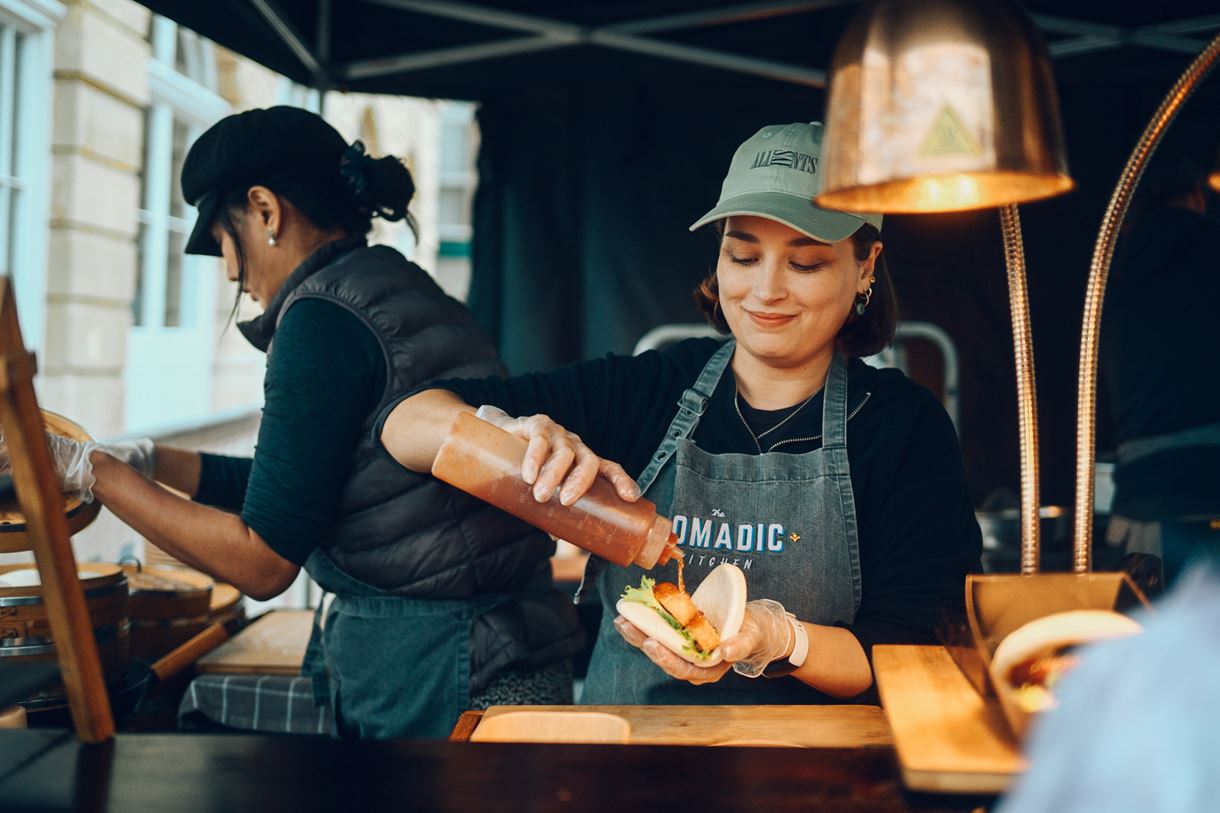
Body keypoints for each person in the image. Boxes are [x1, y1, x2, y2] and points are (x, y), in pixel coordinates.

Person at [0, 107, 582, 738]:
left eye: (225, 240)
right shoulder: (396, 283)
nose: (229, 271)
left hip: (448, 668)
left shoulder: (321, 318)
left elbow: (264, 563)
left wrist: (96, 473)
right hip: (505, 644)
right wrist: (151, 460)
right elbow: (306, 489)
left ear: (266, 210)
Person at [378, 122, 981, 703]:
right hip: (634, 754)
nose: (766, 289)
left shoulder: (902, 426)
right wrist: (513, 433)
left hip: (811, 767)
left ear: (866, 266)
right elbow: (405, 422)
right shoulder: (649, 386)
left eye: (805, 263)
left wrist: (782, 639)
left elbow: (911, 653)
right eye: (743, 257)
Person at [1101, 153, 1220, 585]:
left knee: (1157, 639)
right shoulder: (1211, 245)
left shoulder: (1112, 265)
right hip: (1210, 486)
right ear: (1197, 197)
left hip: (1143, 500)